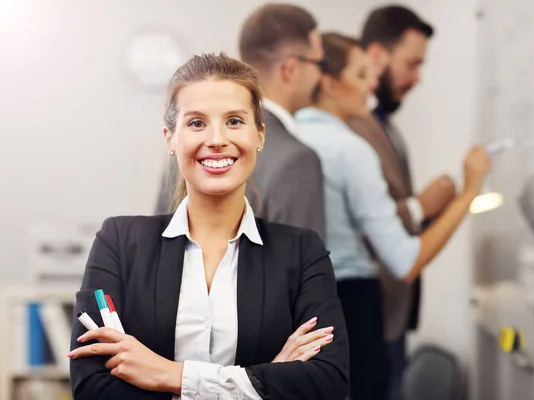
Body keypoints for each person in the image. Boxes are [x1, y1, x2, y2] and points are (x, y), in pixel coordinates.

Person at [68, 53, 349, 400]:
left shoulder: (302, 251)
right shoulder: (119, 241)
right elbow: (92, 389)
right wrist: (269, 380)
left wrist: (171, 375)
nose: (216, 139)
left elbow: (328, 382)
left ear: (260, 135)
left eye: (234, 121)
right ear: (170, 138)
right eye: (197, 123)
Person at [296, 33, 491, 400]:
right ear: (329, 82)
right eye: (361, 74)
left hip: (303, 314)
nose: (373, 83)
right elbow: (406, 261)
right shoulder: (350, 150)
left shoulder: (284, 138)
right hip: (351, 311)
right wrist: (470, 191)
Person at [347, 6, 455, 398]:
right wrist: (422, 206)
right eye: (412, 64)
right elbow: (358, 223)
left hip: (392, 314)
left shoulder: (384, 123)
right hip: (365, 316)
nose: (417, 78)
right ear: (376, 55)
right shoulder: (349, 127)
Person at [237, 4, 326, 240]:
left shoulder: (188, 143)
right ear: (291, 69)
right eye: (319, 64)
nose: (321, 76)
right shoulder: (297, 160)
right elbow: (301, 272)